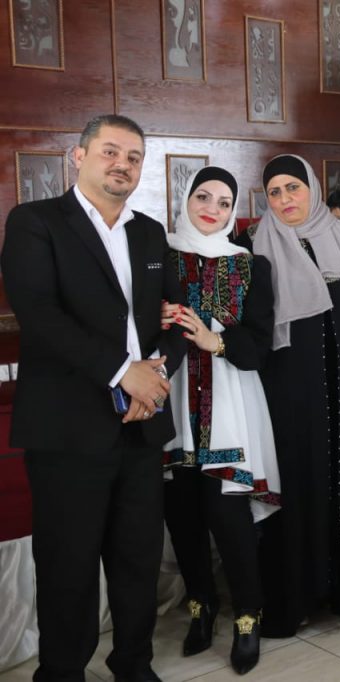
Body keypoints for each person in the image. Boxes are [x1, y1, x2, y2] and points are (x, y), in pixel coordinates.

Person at [1, 114, 187, 682]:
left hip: (141, 424)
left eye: (133, 157)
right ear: (79, 157)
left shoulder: (150, 233)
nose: (122, 164)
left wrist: (153, 378)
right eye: (110, 151)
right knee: (68, 565)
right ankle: (61, 673)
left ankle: (134, 665)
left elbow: (175, 319)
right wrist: (124, 373)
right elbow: (40, 314)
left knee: (137, 560)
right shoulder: (35, 222)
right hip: (67, 427)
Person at [240, 154, 340, 636]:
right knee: (300, 483)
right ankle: (301, 597)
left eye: (293, 188)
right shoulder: (253, 247)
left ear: (312, 188)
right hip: (291, 398)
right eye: (275, 192)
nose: (285, 199)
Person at [160, 167, 279, 675]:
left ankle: (248, 617)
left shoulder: (250, 266)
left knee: (228, 515)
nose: (212, 208)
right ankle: (201, 606)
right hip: (171, 399)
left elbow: (260, 345)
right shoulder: (161, 256)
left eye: (224, 202)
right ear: (185, 201)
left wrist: (218, 341)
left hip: (229, 402)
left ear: (234, 212)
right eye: (203, 197)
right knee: (182, 513)